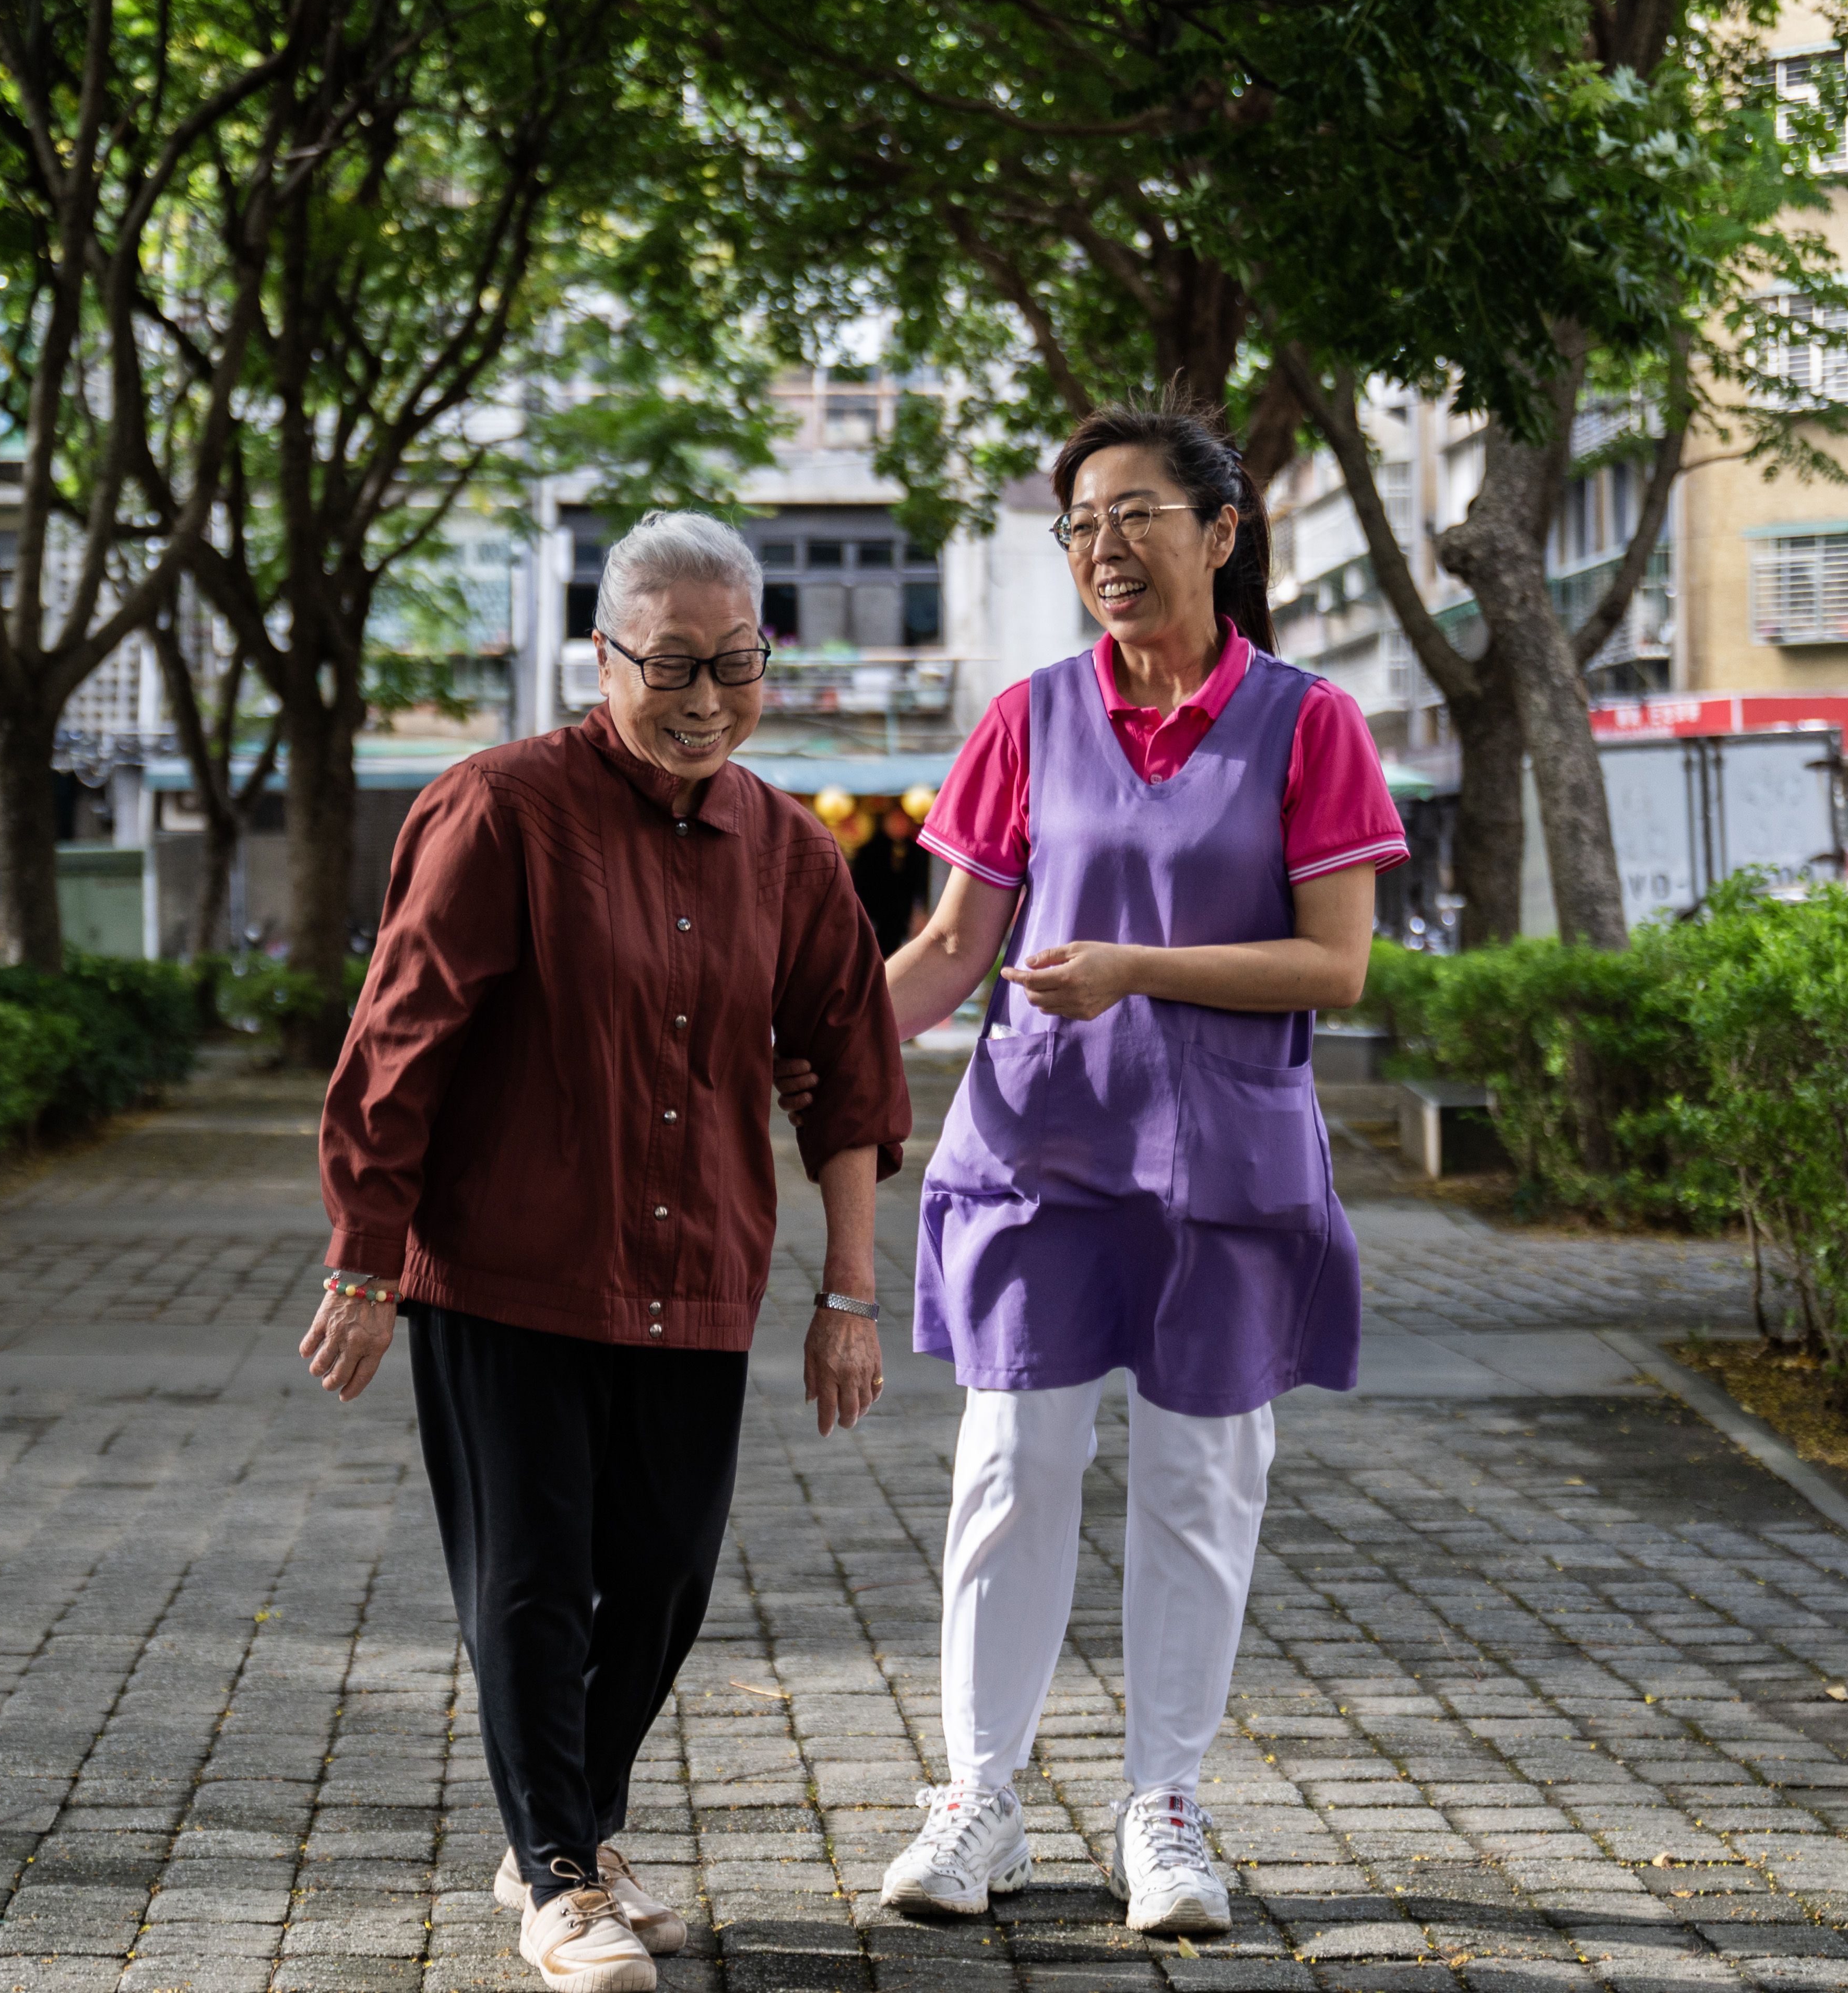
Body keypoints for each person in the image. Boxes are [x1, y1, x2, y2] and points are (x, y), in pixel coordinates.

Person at [780, 398, 1404, 1939]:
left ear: (1221, 531)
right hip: (1042, 1150)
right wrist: (808, 1054)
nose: (1104, 546)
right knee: (1011, 1465)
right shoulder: (1029, 717)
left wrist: (1135, 965)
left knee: (1200, 1482)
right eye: (1080, 523)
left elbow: (1335, 966)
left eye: (1136, 513)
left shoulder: (1308, 721)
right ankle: (978, 1796)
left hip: (1227, 1164)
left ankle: (1162, 1807)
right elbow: (949, 950)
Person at [304, 510, 911, 1993]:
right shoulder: (501, 809)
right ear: (605, 658)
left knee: (664, 1575)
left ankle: (557, 1829)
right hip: (510, 1267)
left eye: (738, 663)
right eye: (674, 664)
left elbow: (850, 1077)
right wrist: (364, 1259)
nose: (707, 697)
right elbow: (399, 1045)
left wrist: (849, 1292)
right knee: (531, 1576)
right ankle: (563, 1878)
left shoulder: (791, 850)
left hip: (698, 1269)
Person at [851, 800, 934, 945]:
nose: (900, 826)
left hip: (905, 916)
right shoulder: (870, 850)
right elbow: (862, 884)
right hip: (875, 914)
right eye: (895, 821)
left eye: (903, 821)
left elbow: (921, 884)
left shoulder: (916, 850)